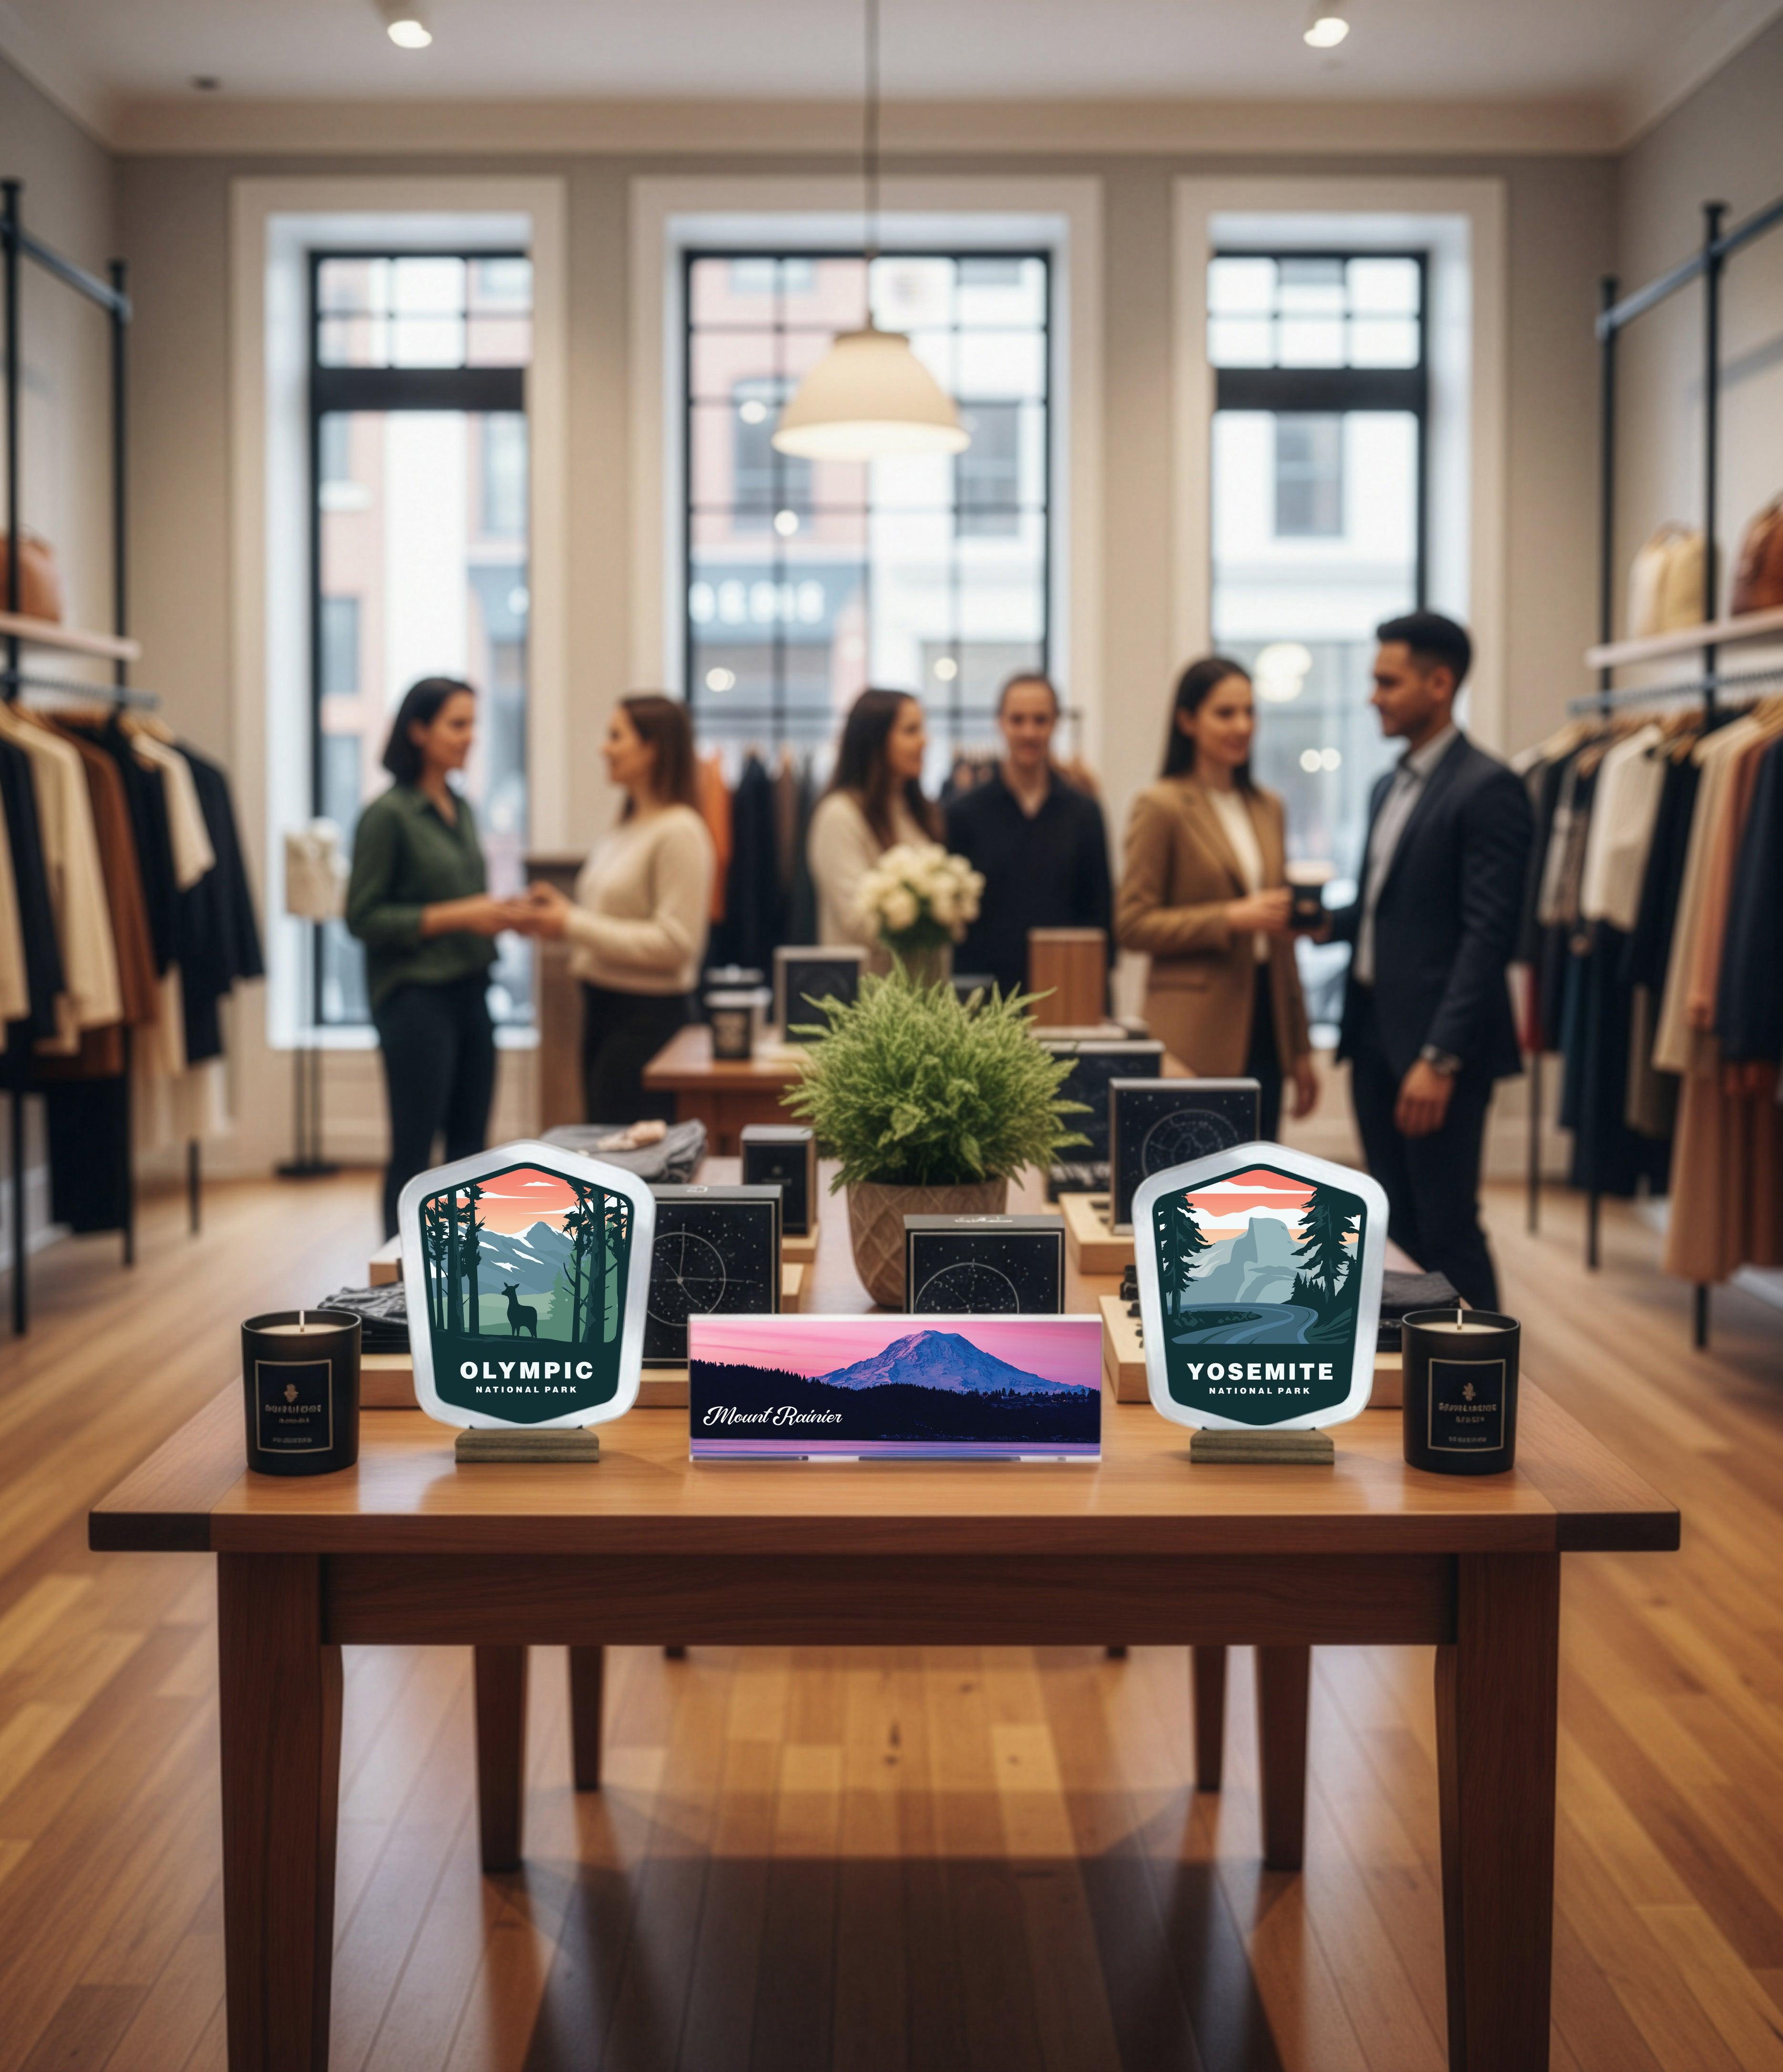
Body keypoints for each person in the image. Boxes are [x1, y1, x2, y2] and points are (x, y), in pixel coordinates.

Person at [1323, 611, 1533, 1312]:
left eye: (1388, 681)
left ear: (1439, 683)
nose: (1373, 696)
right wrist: (1315, 918)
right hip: (1376, 1038)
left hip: (1438, 1054)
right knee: (1395, 1221)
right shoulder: (1391, 785)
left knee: (1446, 1226)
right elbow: (1389, 909)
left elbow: (1487, 936)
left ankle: (1484, 1382)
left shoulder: (1489, 788)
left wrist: (1440, 1057)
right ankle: (1414, 1361)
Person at [346, 677, 531, 1238]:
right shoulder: (388, 815)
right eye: (457, 724)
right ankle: (395, 1284)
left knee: (472, 1150)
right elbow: (363, 917)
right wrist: (460, 913)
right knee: (414, 1149)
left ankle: (461, 1278)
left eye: (474, 723)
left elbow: (464, 903)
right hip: (414, 997)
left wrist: (498, 914)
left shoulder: (464, 808)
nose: (470, 736)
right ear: (418, 730)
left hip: (472, 989)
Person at [1114, 657, 1318, 1139]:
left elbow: (1279, 939)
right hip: (1194, 1030)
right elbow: (1132, 923)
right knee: (1197, 1179)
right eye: (1225, 713)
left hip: (1268, 1019)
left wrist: (1301, 1047)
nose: (1242, 726)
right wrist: (1229, 917)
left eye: (1249, 712)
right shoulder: (1161, 805)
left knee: (1258, 1181)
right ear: (1188, 720)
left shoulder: (1269, 806)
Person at [521, 695, 715, 1124]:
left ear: (653, 749)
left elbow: (677, 944)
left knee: (633, 1165)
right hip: (604, 1009)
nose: (603, 748)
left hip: (648, 1024)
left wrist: (571, 923)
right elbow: (611, 919)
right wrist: (562, 914)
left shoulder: (680, 831)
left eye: (616, 736)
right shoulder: (628, 824)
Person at [943, 672, 1113, 996]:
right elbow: (958, 919)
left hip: (1067, 990)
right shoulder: (963, 814)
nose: (1029, 732)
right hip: (987, 996)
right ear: (1000, 723)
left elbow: (1100, 915)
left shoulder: (1084, 813)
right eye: (1017, 720)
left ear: (1056, 723)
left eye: (1040, 720)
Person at [806, 688, 941, 955]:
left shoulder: (913, 810)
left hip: (920, 989)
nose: (925, 741)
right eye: (911, 731)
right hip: (866, 990)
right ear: (876, 740)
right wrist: (935, 915)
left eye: (922, 729)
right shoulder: (840, 816)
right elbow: (858, 919)